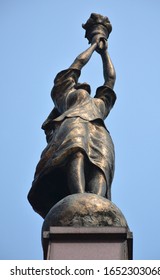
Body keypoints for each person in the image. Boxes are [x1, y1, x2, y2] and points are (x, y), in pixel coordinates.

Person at [28, 36, 116, 218]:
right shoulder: (66, 96)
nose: (83, 84)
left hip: (99, 132)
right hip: (73, 123)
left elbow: (110, 79)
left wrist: (105, 53)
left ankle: (96, 206)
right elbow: (77, 65)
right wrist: (93, 46)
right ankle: (79, 198)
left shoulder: (99, 104)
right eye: (77, 84)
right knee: (76, 153)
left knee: (99, 168)